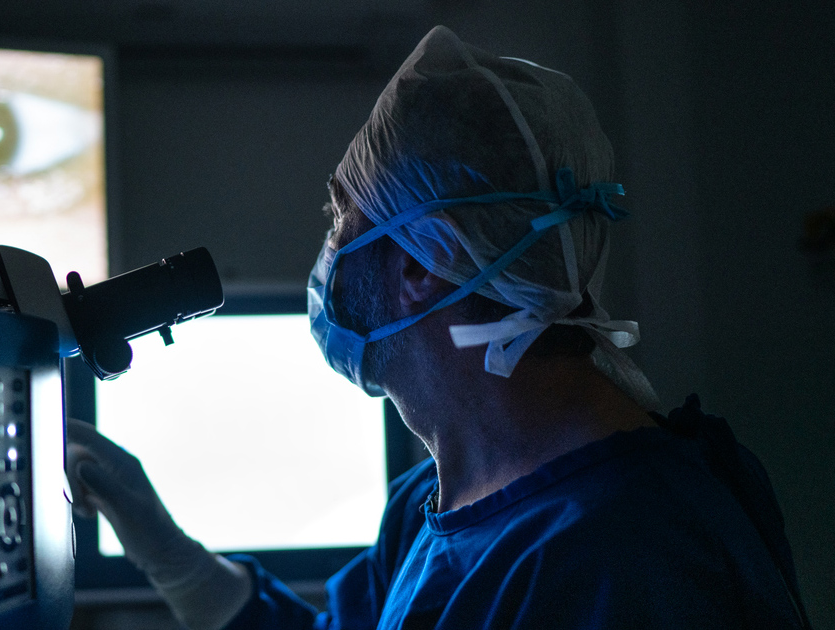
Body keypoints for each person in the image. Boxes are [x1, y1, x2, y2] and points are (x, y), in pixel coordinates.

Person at [66, 26, 811, 629]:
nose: (328, 252)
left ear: (427, 260)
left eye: (341, 218)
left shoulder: (631, 558)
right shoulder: (438, 497)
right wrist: (170, 554)